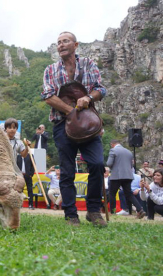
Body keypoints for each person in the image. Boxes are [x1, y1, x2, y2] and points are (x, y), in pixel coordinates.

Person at [41, 31, 107, 227]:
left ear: (75, 45)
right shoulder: (50, 69)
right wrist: (72, 112)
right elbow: (48, 96)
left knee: (97, 164)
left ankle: (94, 211)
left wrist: (89, 98)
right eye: (58, 42)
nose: (61, 45)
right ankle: (71, 215)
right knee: (67, 171)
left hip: (89, 125)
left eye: (65, 41)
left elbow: (100, 89)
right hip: (62, 125)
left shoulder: (88, 63)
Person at [107, 140, 146, 218]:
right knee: (129, 194)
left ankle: (113, 212)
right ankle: (140, 209)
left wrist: (114, 168)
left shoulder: (113, 150)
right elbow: (131, 166)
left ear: (112, 144)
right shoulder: (129, 152)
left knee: (112, 194)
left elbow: (109, 163)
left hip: (116, 176)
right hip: (128, 176)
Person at [4, 118, 30, 209]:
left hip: (13, 167)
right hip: (2, 166)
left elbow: (23, 154)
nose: (12, 129)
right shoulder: (1, 140)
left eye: (14, 128)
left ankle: (15, 204)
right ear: (5, 129)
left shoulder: (19, 142)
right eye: (10, 127)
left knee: (19, 182)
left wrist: (27, 147)